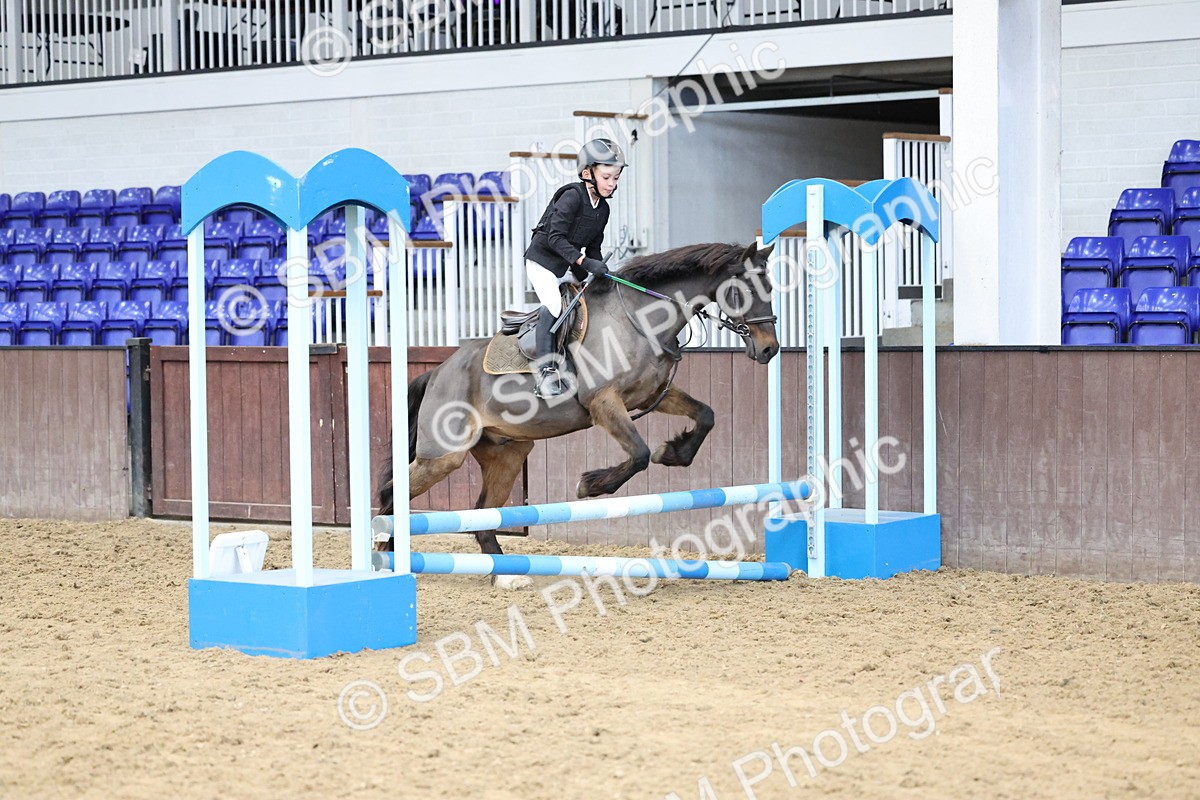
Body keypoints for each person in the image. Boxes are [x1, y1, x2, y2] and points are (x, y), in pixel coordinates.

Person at [523, 137, 626, 398]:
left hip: (568, 264)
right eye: (607, 177)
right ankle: (545, 371)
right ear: (586, 173)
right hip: (543, 262)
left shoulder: (603, 209)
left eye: (615, 178)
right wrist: (584, 262)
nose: (612, 183)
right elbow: (555, 238)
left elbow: (593, 248)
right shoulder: (571, 197)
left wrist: (599, 267)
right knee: (555, 305)